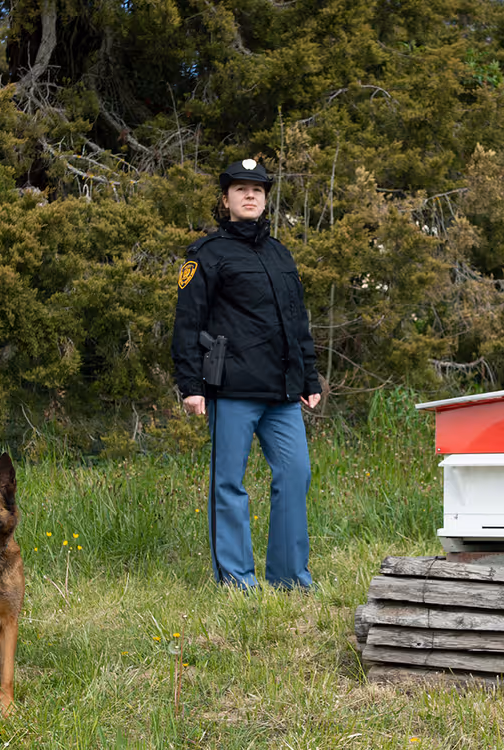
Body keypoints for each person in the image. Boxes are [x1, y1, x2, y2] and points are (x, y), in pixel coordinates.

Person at [172, 159, 322, 590]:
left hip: (282, 393)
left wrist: (308, 380)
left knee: (296, 475)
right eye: (240, 189)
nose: (250, 195)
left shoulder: (280, 254)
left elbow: (297, 322)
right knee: (229, 485)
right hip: (232, 390)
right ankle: (237, 581)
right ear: (226, 200)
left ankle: (290, 578)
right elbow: (187, 322)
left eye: (257, 189)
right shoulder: (206, 254)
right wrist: (190, 385)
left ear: (265, 198)